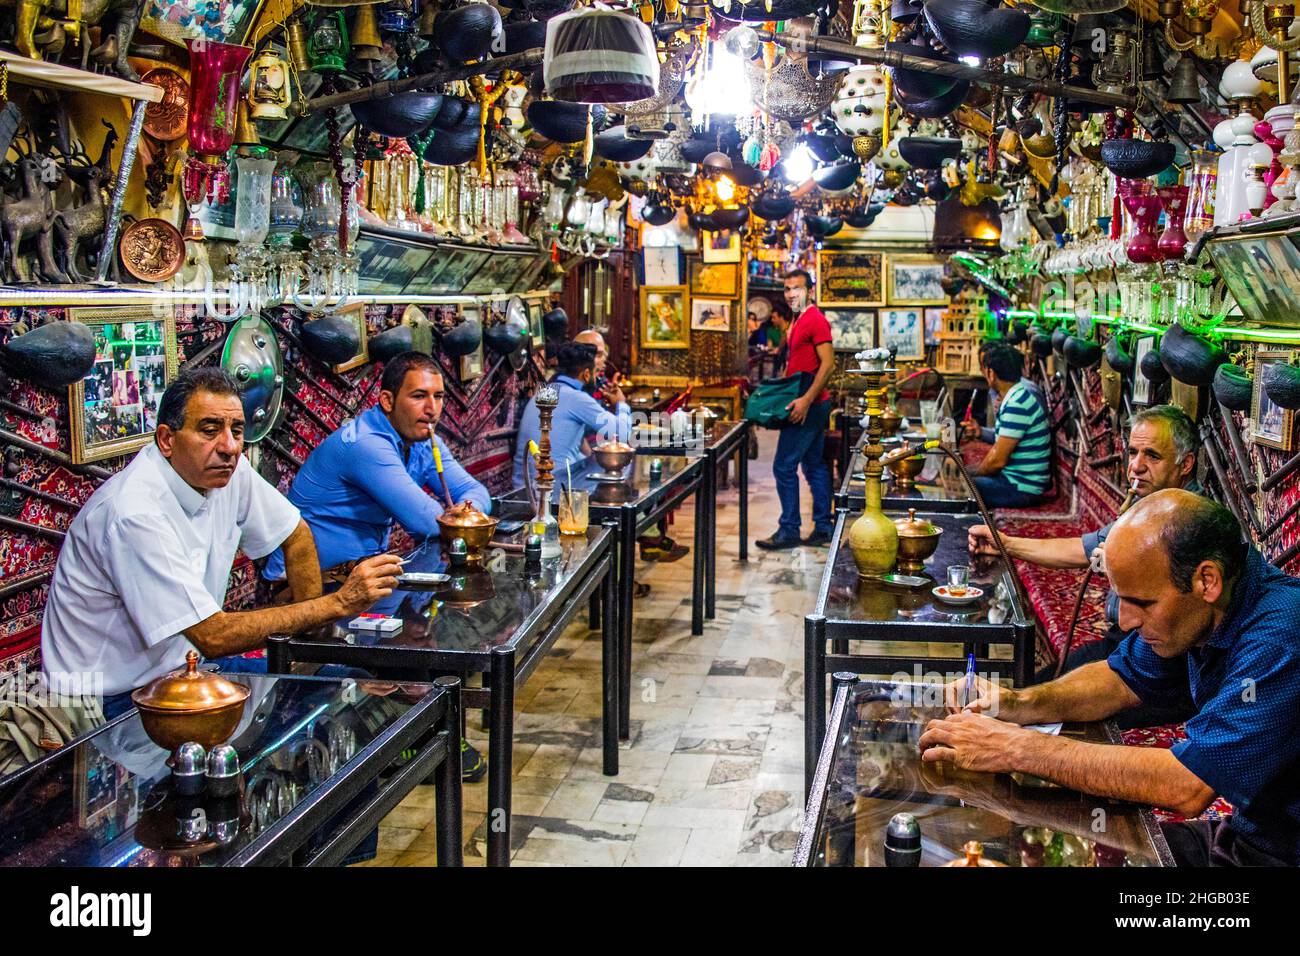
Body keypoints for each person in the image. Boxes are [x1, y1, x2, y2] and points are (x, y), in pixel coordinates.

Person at [919, 490, 1300, 867]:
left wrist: (1016, 748)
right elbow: (1121, 679)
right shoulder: (1200, 610)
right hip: (1242, 837)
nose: (1125, 622)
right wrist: (1019, 704)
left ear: (1207, 580)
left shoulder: (1281, 635)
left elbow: (1187, 784)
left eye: (1142, 603)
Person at [41, 367, 401, 721]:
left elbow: (295, 533)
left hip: (188, 670)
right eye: (209, 430)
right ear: (167, 439)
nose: (229, 446)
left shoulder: (229, 470)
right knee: (312, 706)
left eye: (237, 430)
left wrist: (305, 646)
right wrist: (337, 603)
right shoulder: (134, 513)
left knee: (344, 687)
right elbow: (213, 634)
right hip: (113, 700)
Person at [968, 404, 1202, 726]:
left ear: (1185, 463)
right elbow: (1081, 548)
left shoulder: (1192, 523)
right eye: (1133, 452)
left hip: (1164, 668)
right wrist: (1006, 544)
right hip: (1125, 646)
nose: (1136, 466)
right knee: (1038, 688)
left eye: (1153, 456)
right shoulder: (1147, 509)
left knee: (1041, 706)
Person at [264, 351, 491, 582]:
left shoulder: (424, 440)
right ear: (387, 400)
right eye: (419, 396)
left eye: (439, 396)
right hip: (306, 581)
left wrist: (466, 512)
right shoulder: (366, 444)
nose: (432, 409)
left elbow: (478, 493)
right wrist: (465, 521)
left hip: (360, 572)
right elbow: (427, 522)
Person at [756, 269, 835, 550]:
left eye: (797, 288)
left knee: (784, 466)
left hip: (808, 405)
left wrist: (805, 400)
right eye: (787, 289)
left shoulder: (815, 320)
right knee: (813, 465)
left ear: (810, 290)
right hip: (806, 402)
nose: (791, 294)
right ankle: (824, 527)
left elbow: (828, 364)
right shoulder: (800, 319)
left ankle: (789, 529)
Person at [513, 340, 631, 488]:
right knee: (621, 475)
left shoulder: (545, 392)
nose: (596, 378)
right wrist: (621, 403)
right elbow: (622, 433)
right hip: (549, 490)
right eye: (595, 373)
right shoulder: (576, 398)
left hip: (522, 488)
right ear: (586, 374)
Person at [960, 341, 1050, 508]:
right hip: (1018, 482)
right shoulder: (1017, 395)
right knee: (965, 475)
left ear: (991, 373)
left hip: (1022, 489)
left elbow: (997, 461)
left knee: (962, 489)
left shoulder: (1017, 403)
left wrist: (970, 477)